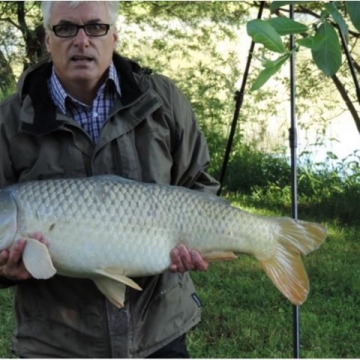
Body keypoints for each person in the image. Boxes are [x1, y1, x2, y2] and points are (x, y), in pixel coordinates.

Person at [0, 1, 220, 358]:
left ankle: (272, 239)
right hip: (54, 343)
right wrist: (6, 270)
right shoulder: (8, 122)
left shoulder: (162, 100)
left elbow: (199, 183)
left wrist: (195, 239)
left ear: (114, 35)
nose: (82, 40)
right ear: (47, 38)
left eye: (96, 27)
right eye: (66, 28)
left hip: (158, 331)